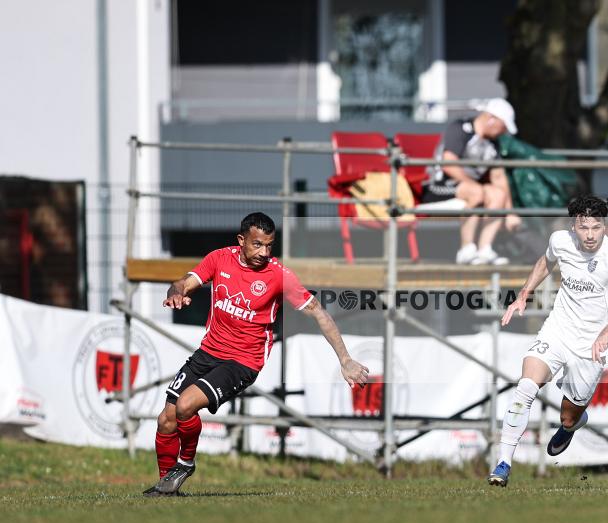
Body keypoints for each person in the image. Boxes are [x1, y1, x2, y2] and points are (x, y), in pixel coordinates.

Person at [143, 212, 369, 496]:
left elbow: (318, 312)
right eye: (257, 244)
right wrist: (176, 293)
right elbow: (182, 283)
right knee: (166, 418)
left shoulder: (278, 275)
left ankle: (185, 463)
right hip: (208, 352)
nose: (264, 252)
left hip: (242, 361)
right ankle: (167, 487)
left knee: (186, 406)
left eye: (269, 246)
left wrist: (345, 359)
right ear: (241, 241)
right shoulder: (219, 259)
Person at [489, 194, 608, 486]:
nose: (591, 234)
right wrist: (523, 295)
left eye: (597, 227)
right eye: (584, 228)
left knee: (568, 417)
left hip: (591, 345)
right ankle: (503, 464)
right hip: (557, 330)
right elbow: (545, 263)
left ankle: (572, 426)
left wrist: (606, 333)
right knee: (525, 388)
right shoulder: (560, 241)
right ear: (574, 226)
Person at [422, 98, 522, 265]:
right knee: (477, 191)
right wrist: (476, 186)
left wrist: (511, 212)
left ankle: (485, 249)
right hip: (438, 187)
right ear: (491, 119)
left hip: (468, 188)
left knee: (498, 194)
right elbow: (449, 164)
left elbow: (498, 177)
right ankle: (466, 249)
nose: (503, 132)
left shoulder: (493, 143)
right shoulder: (460, 129)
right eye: (503, 126)